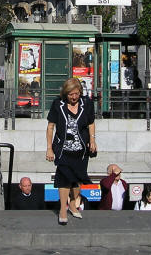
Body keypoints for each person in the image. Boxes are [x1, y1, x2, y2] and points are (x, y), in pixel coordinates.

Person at [46, 77, 97, 225]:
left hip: (81, 149)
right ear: (65, 94)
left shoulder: (86, 104)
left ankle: (74, 204)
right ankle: (63, 208)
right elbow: (50, 127)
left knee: (77, 178)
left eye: (76, 94)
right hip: (63, 148)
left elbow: (91, 123)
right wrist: (49, 148)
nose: (74, 97)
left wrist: (92, 140)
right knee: (64, 178)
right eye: (70, 94)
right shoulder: (58, 104)